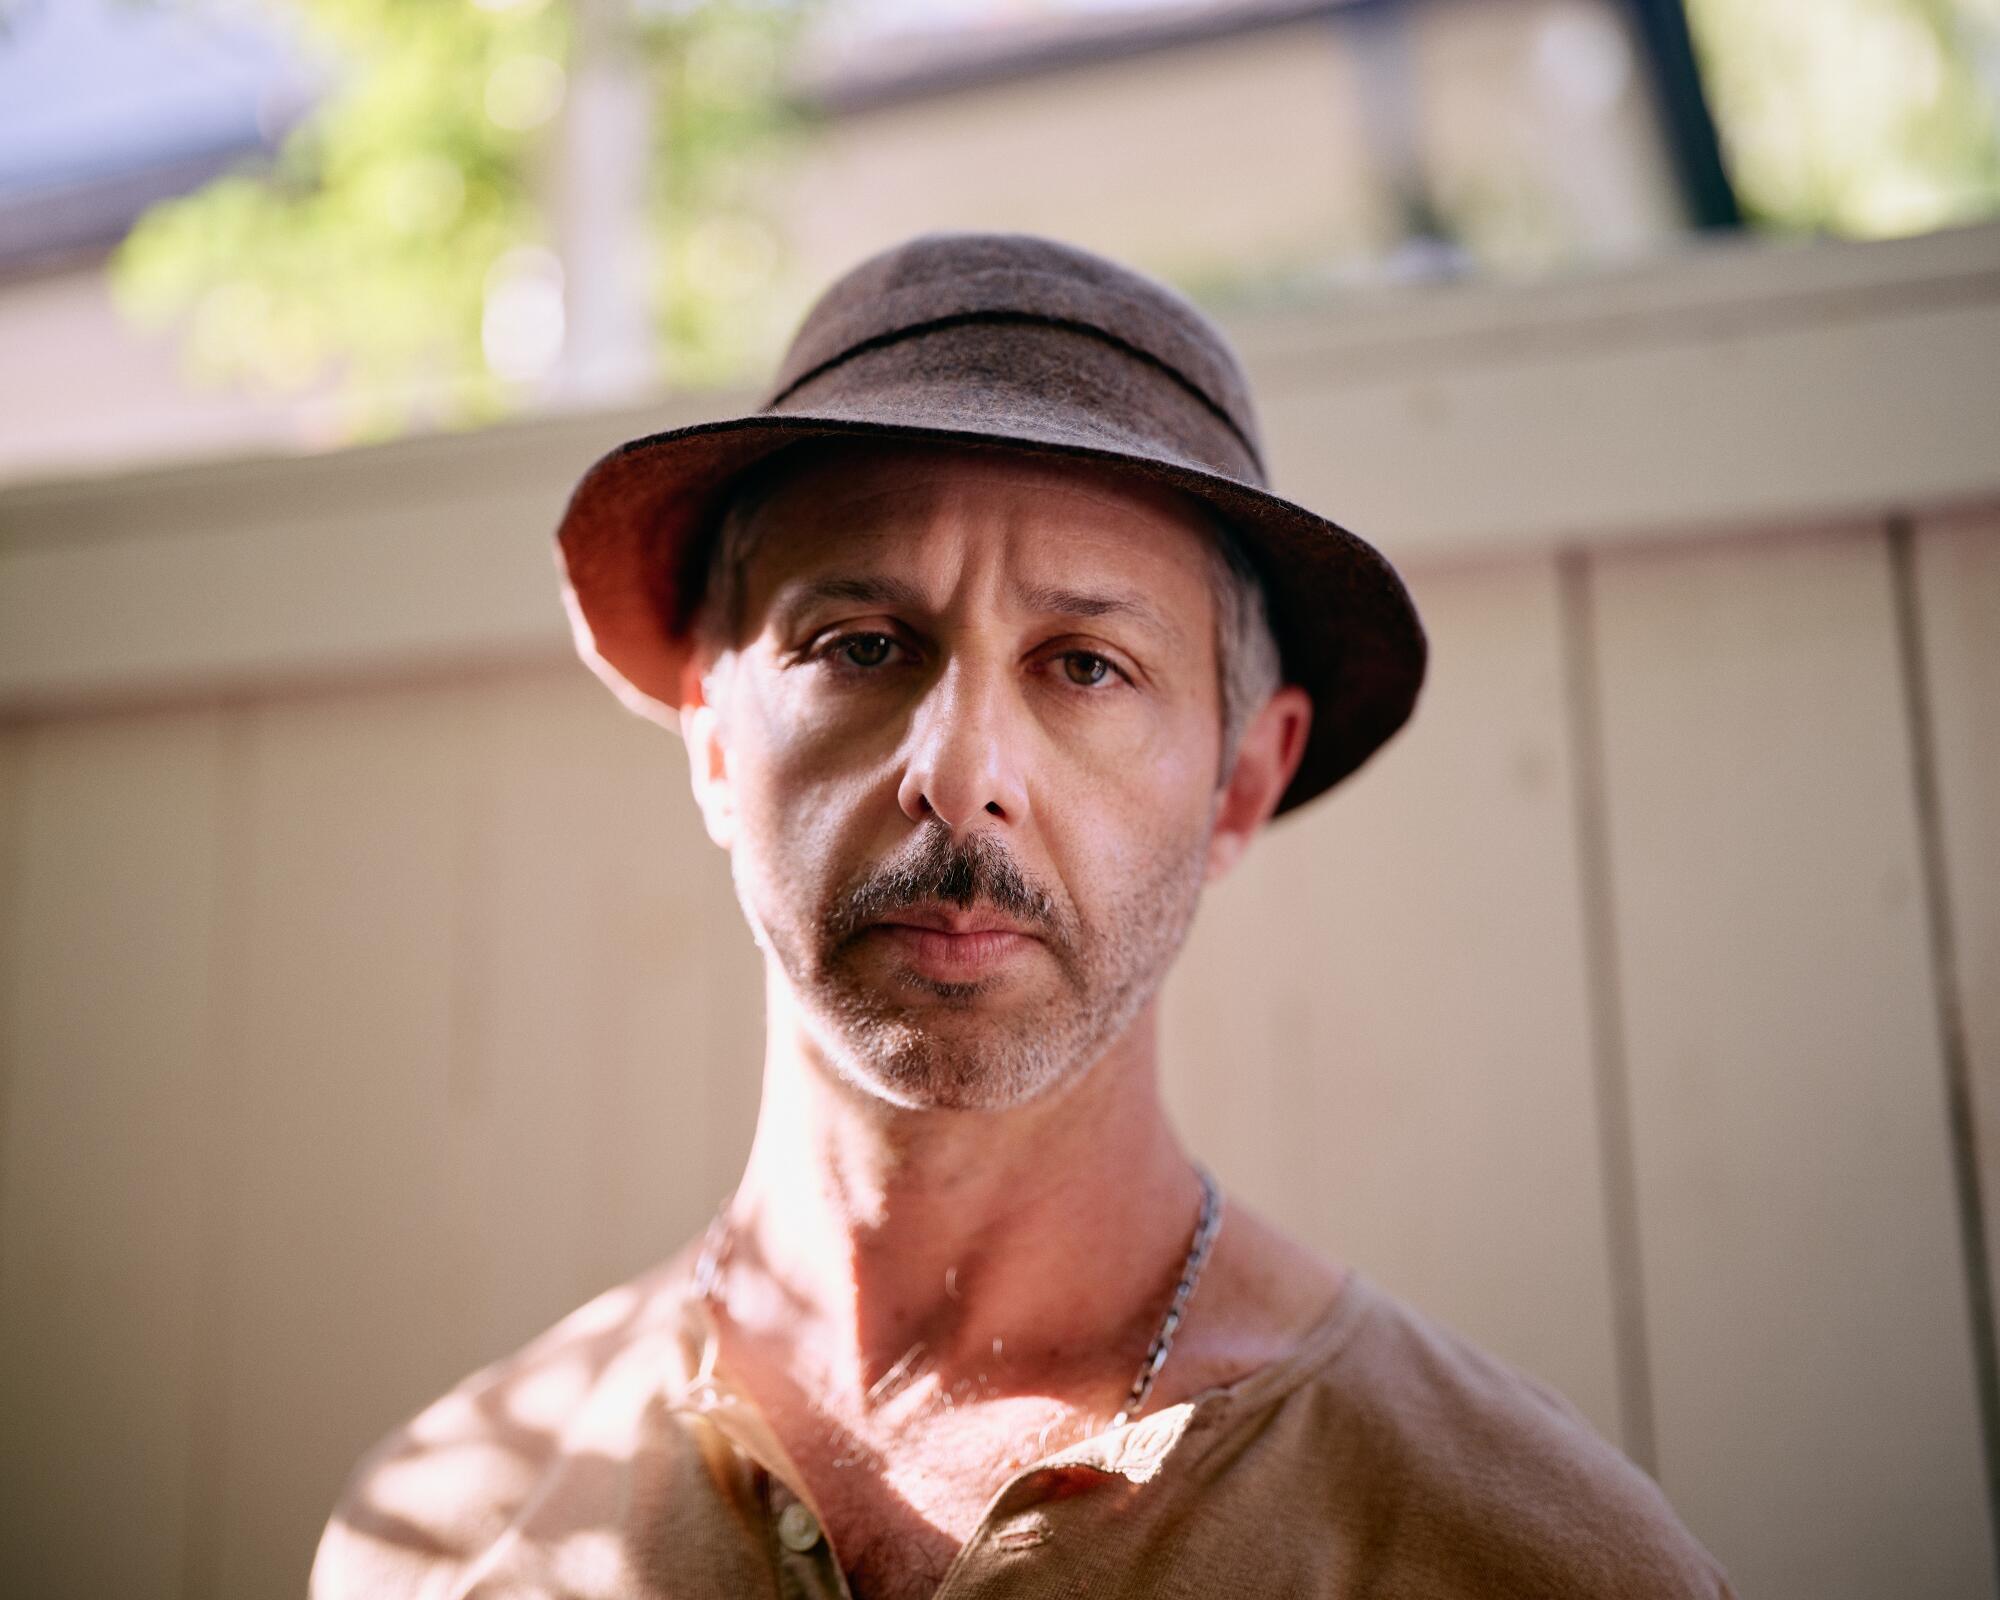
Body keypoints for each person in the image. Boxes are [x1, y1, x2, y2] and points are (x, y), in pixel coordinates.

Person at [310, 230, 1733, 1599]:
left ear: (1243, 781)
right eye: (859, 645)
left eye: (1087, 665)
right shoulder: (443, 1543)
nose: (964, 775)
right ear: (718, 744)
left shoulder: (1525, 1561)